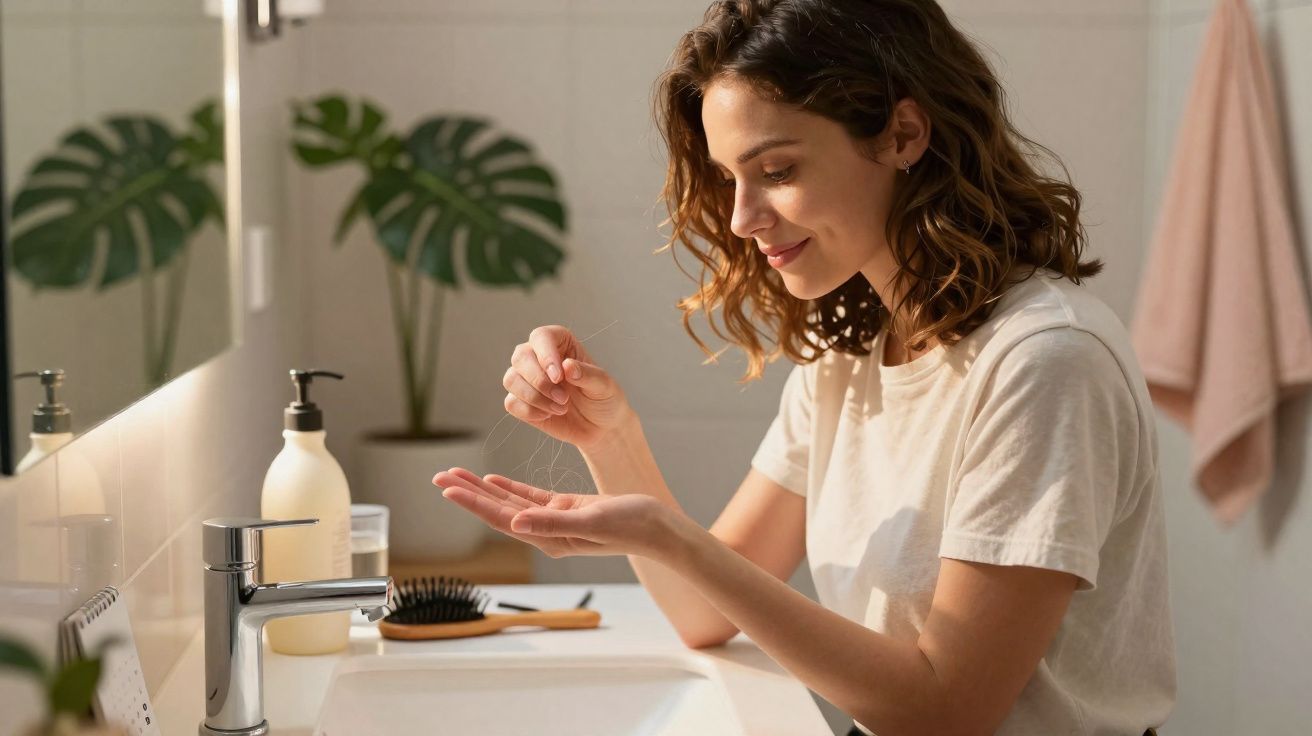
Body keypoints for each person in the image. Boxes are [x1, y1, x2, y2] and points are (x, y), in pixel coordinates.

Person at [432, 1, 1176, 733]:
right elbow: (704, 615)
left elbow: (947, 710)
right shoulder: (849, 360)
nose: (741, 217)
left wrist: (671, 535)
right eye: (729, 179)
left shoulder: (1045, 362)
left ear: (903, 135)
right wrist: (608, 438)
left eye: (777, 169)